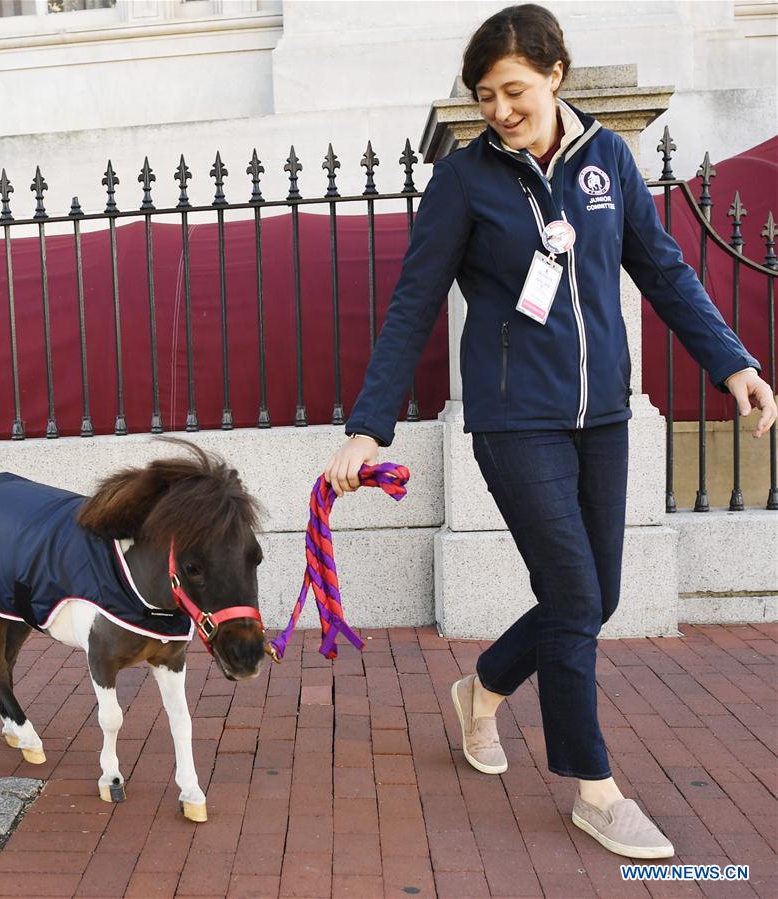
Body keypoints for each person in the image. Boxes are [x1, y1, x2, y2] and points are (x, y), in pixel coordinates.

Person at [324, 3, 777, 860]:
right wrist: (367, 427)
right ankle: (594, 789)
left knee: (595, 596)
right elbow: (413, 303)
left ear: (555, 75)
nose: (498, 109)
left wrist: (734, 363)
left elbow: (663, 270)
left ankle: (482, 690)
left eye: (514, 89)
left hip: (602, 415)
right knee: (573, 596)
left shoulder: (608, 158)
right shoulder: (464, 179)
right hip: (512, 420)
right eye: (485, 95)